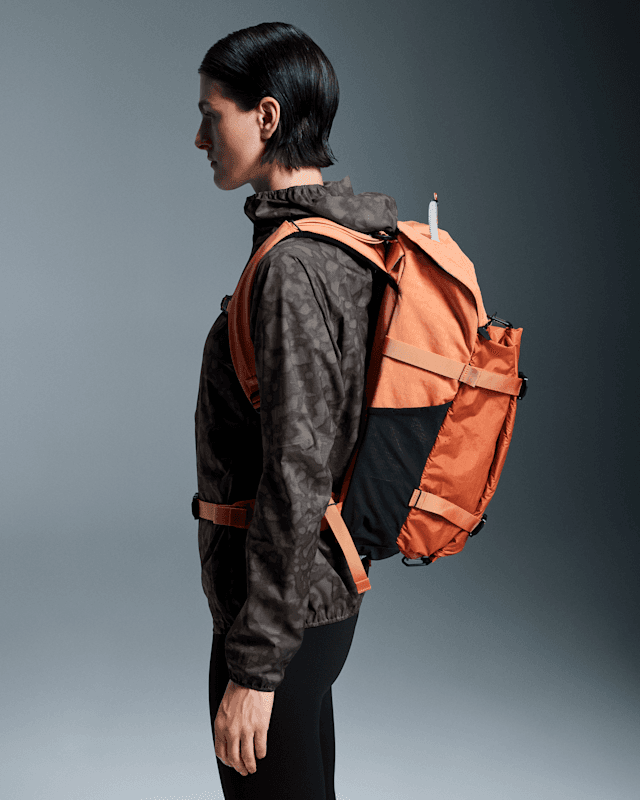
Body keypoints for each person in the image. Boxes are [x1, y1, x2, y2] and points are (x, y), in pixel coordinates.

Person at [193, 22, 398, 800]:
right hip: (319, 598)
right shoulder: (349, 245)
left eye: (211, 116)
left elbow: (296, 471)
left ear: (268, 116)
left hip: (279, 616)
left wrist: (254, 667)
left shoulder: (292, 267)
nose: (200, 138)